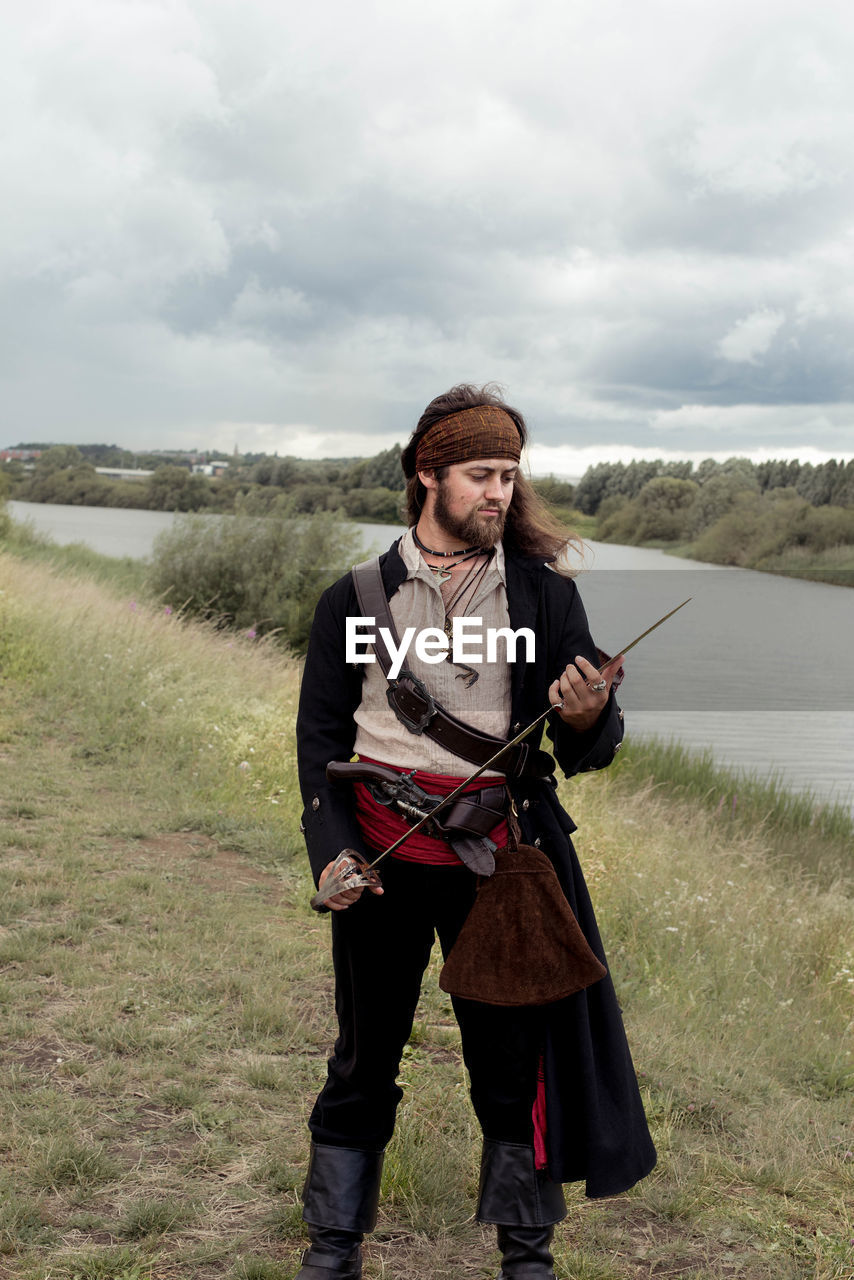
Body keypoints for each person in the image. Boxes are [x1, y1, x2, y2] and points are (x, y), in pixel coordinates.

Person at [295, 385, 656, 1279]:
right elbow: (321, 741)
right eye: (481, 474)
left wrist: (582, 715)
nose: (500, 491)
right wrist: (335, 850)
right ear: (429, 475)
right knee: (361, 1055)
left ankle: (526, 1258)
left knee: (510, 1062)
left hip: (495, 863)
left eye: (510, 474)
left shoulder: (542, 598)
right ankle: (333, 1248)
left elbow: (594, 749)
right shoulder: (354, 599)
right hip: (378, 858)